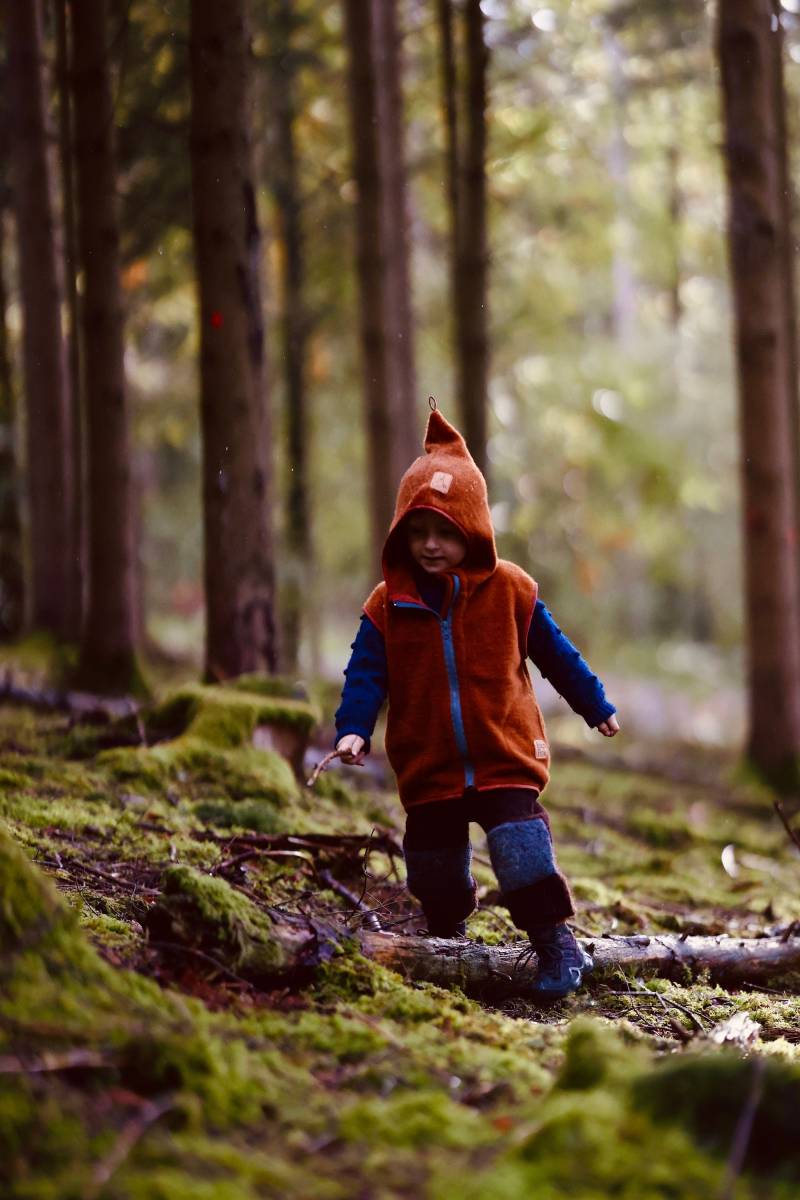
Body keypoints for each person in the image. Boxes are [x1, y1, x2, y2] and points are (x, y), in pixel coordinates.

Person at [334, 407, 619, 998]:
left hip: (503, 752)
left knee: (522, 855)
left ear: (474, 530)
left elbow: (556, 653)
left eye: (445, 533)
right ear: (400, 536)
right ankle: (446, 937)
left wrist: (595, 704)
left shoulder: (511, 590)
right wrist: (354, 727)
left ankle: (555, 943)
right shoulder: (389, 604)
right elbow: (366, 673)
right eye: (418, 533)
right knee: (434, 868)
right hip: (429, 761)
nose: (431, 546)